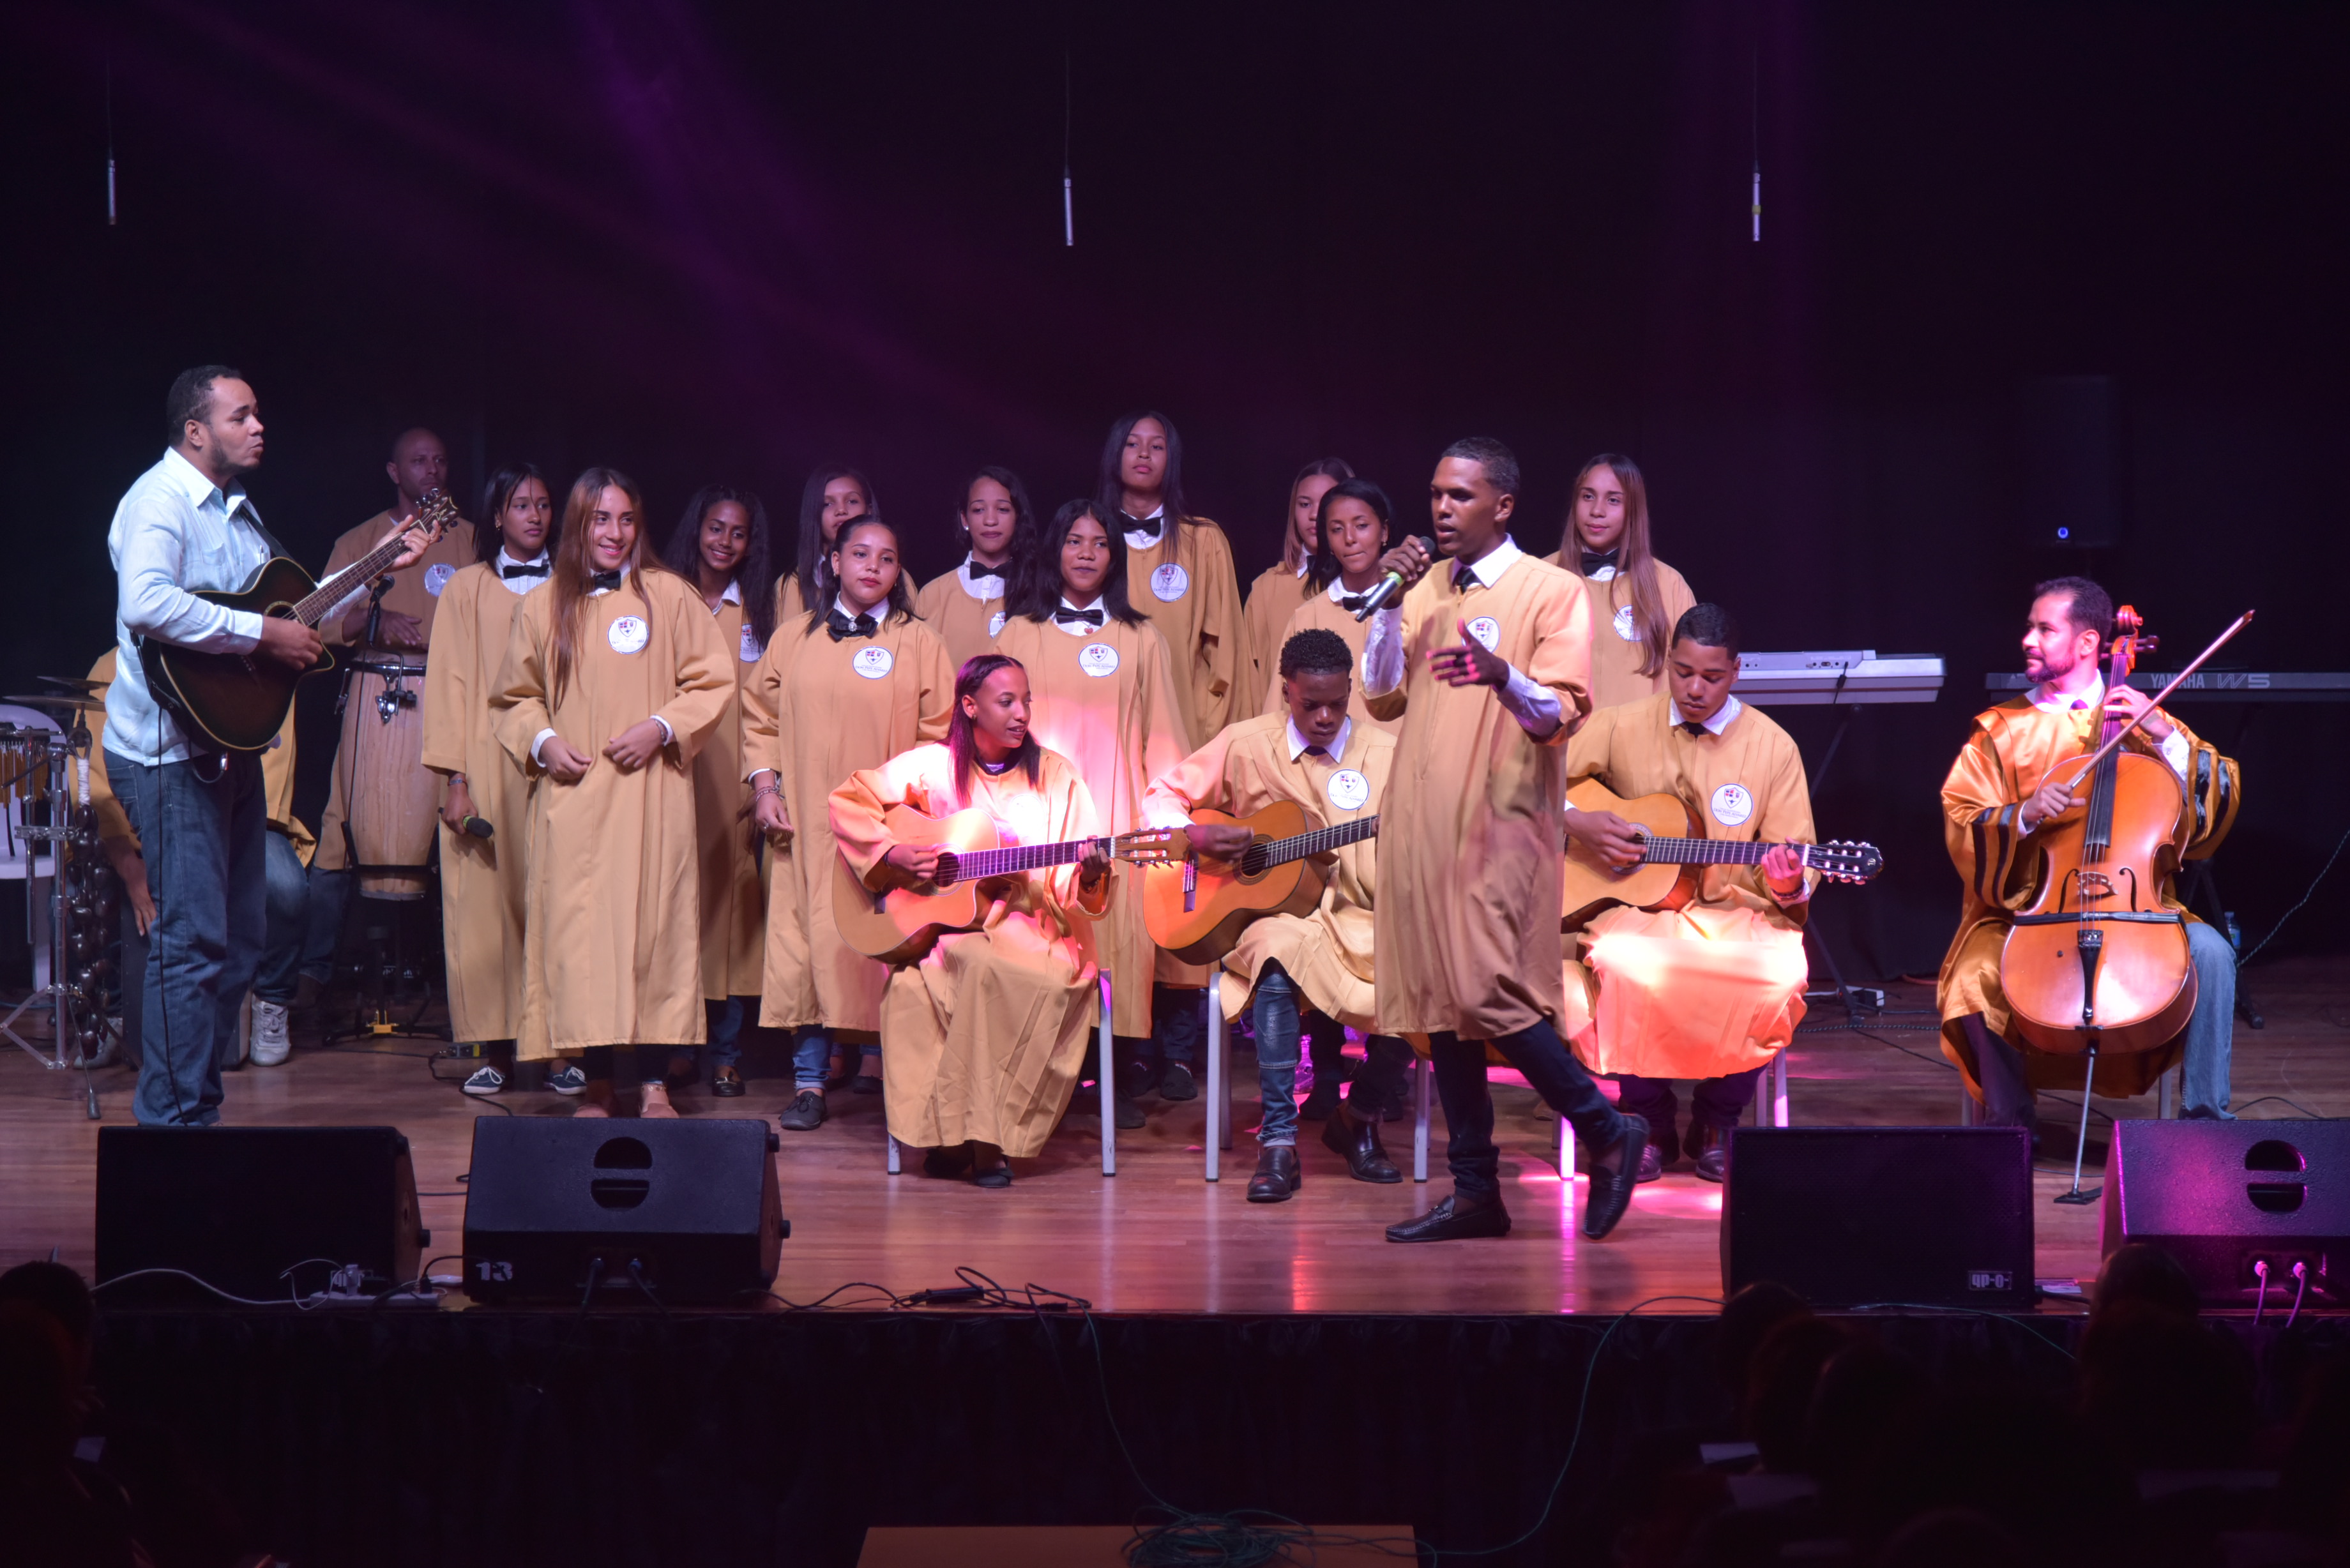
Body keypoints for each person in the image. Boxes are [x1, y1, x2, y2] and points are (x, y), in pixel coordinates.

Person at [103, 367, 429, 1126]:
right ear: (195, 430)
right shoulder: (160, 500)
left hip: (226, 745)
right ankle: (172, 1125)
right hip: (167, 751)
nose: (259, 426)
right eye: (240, 415)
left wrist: (380, 562)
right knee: (189, 945)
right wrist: (262, 632)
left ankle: (197, 1106)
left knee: (239, 938)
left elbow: (296, 610)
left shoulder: (238, 514)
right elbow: (147, 602)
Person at [1361, 436, 1648, 1242]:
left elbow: (1560, 710)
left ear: (1503, 506)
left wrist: (1503, 675)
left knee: (1488, 991)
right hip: (1420, 828)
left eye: (1459, 495)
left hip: (1497, 827)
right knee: (1442, 1009)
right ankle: (1476, 1192)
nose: (1441, 509)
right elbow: (1381, 696)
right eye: (1435, 494)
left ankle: (1604, 1128)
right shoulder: (1420, 592)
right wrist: (1388, 601)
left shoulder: (1550, 591)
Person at [1936, 576, 2240, 1125]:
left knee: (2212, 954)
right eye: (2029, 626)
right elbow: (1963, 817)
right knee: (1972, 976)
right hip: (2029, 911)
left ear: (2087, 643)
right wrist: (2022, 814)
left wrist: (2166, 732)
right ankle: (2010, 1127)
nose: (2028, 639)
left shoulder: (2144, 722)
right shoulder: (2001, 731)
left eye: (2044, 629)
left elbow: (2216, 792)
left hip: (2135, 909)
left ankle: (2203, 1124)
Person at [490, 467, 732, 1116]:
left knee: (655, 932)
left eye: (626, 519)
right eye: (601, 519)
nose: (615, 533)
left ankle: (652, 1082)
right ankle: (597, 1081)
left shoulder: (668, 596)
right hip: (576, 799)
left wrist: (660, 727)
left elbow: (710, 681)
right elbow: (513, 698)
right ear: (578, 524)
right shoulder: (542, 604)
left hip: (650, 796)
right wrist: (543, 742)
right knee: (582, 942)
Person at [1143, 628, 1414, 1201]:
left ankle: (1360, 1116)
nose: (1324, 717)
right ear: (1285, 689)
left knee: (1429, 972)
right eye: (1309, 703)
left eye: (1338, 705)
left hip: (1358, 910)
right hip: (1274, 916)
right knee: (1274, 952)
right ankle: (1278, 1142)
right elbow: (1161, 793)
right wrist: (1193, 830)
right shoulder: (1245, 743)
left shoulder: (1388, 754)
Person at [829, 654, 1114, 1186]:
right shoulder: (934, 765)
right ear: (969, 706)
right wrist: (891, 854)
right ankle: (952, 1134)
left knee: (993, 969)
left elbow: (1075, 887)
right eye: (1006, 702)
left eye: (1026, 701)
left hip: (1034, 924)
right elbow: (850, 799)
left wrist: (1093, 874)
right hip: (945, 930)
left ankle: (988, 1140)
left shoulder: (1056, 775)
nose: (1021, 713)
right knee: (921, 982)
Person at [1561, 604, 1816, 1183]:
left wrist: (1788, 881)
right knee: (1622, 966)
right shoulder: (1623, 723)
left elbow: (1795, 856)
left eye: (1711, 677)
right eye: (1682, 673)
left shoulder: (1773, 748)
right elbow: (1534, 773)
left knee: (1775, 977)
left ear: (1736, 672)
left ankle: (1718, 1120)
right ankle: (1647, 1120)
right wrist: (1576, 821)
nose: (1694, 689)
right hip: (1639, 909)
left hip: (1736, 913)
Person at [746, 516, 954, 1131]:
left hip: (888, 833)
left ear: (899, 571)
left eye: (887, 559)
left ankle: (896, 1077)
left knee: (888, 946)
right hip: (807, 824)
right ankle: (810, 1083)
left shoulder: (922, 643)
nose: (872, 567)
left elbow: (940, 734)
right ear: (833, 562)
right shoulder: (793, 638)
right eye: (859, 554)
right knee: (805, 946)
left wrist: (911, 819)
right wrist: (764, 787)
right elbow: (759, 717)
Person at [995, 501, 1195, 1119]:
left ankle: (1112, 1073)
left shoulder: (1141, 637)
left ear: (1114, 557)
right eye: (1073, 540)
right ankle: (1041, 1078)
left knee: (1113, 939)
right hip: (1040, 813)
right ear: (1054, 550)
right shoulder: (1017, 634)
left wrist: (1172, 818)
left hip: (1118, 813)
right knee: (1043, 935)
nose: (1085, 552)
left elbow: (1162, 733)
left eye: (1099, 542)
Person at [84, 647, 312, 1069]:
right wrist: (134, 870)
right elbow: (99, 786)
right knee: (81, 895)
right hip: (137, 829)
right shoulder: (110, 668)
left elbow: (262, 775)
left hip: (230, 824)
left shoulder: (240, 661)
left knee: (285, 889)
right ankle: (112, 1011)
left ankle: (270, 1001)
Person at [306, 426, 481, 955]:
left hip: (446, 694)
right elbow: (313, 623)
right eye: (420, 461)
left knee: (454, 832)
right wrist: (371, 623)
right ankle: (313, 971)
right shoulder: (360, 542)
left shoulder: (469, 539)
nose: (432, 470)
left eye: (441, 460)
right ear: (394, 472)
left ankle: (460, 978)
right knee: (339, 829)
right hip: (372, 688)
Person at [419, 462, 556, 1096]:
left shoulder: (575, 586)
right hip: (483, 759)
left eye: (543, 504)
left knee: (560, 906)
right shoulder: (466, 589)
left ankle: (565, 1048)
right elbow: (448, 684)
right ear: (497, 516)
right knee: (484, 910)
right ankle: (494, 1050)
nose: (533, 514)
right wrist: (454, 778)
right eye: (519, 504)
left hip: (557, 761)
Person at [662, 483, 776, 1101]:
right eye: (715, 528)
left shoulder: (758, 609)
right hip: (676, 774)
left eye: (738, 532)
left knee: (731, 926)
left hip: (736, 783)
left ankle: (727, 1053)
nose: (725, 541)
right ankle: (678, 1048)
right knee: (680, 915)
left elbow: (766, 704)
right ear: (696, 530)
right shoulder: (665, 599)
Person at [1098, 410, 1243, 751]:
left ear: (1172, 458)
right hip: (1109, 730)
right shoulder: (1090, 543)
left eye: (1157, 446)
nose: (1144, 453)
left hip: (1186, 730)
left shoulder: (1204, 541)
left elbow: (1227, 655)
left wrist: (1213, 734)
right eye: (1132, 444)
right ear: (1114, 455)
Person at [1551, 455, 1697, 712]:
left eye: (1613, 500)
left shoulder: (1669, 585)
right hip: (1563, 748)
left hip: (1643, 747)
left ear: (1633, 510)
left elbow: (1691, 677)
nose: (1597, 510)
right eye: (1588, 496)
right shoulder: (1541, 577)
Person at [1264, 476, 1403, 739]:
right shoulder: (1308, 616)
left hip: (1400, 762)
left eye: (1361, 526)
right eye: (1337, 529)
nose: (1349, 539)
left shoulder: (1414, 608)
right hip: (1327, 765)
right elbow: (1280, 707)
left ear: (1384, 532)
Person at [1239, 458, 1352, 721]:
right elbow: (1251, 680)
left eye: (1324, 503)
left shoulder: (1366, 586)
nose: (1314, 514)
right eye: (1305, 504)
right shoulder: (1267, 588)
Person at [915, 466, 1035, 670]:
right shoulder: (933, 595)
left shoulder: (1037, 590)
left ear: (1017, 517)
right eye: (979, 510)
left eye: (1003, 509)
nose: (990, 521)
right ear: (964, 519)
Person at [775, 464, 878, 625]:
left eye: (852, 501)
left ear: (869, 511)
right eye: (828, 504)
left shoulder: (892, 577)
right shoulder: (791, 585)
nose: (841, 510)